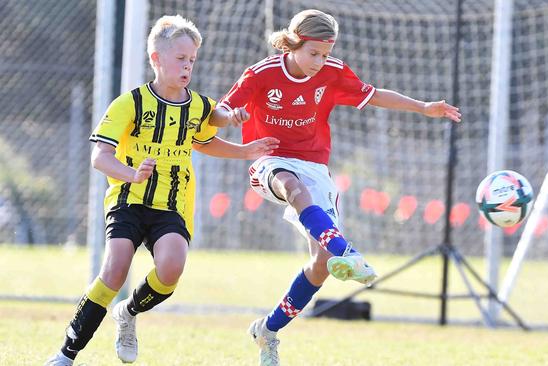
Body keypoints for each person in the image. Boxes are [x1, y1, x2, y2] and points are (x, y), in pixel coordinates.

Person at [213, 9, 462, 366]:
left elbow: (374, 95)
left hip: (314, 165)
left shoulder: (332, 72)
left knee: (322, 264)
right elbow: (219, 111)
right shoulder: (261, 73)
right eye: (313, 53)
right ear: (293, 44)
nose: (319, 62)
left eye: (326, 54)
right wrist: (231, 116)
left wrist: (423, 107)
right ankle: (347, 250)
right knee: (293, 188)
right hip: (267, 159)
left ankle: (268, 330)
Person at [45, 15, 278, 366]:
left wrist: (243, 148)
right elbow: (99, 157)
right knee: (114, 269)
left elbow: (205, 138)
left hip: (172, 204)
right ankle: (66, 354)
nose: (187, 67)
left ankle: (128, 313)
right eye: (180, 59)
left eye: (192, 61)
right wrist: (131, 174)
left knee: (171, 270)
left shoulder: (198, 105)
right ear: (156, 58)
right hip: (129, 199)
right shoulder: (130, 103)